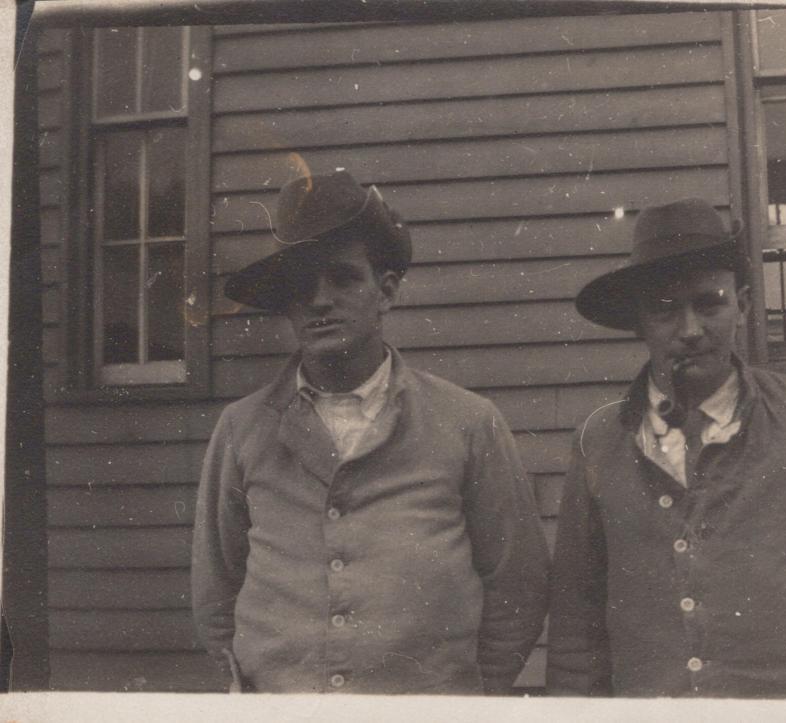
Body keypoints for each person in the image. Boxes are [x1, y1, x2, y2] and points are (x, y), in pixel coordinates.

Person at [192, 170, 549, 694]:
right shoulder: (241, 429)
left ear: (386, 292)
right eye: (301, 285)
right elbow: (215, 593)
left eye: (343, 278)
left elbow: (518, 588)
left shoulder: (469, 423)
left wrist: (466, 701)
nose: (320, 301)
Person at [546, 199, 786, 699]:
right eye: (665, 309)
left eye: (709, 304)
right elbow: (576, 623)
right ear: (639, 323)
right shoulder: (600, 441)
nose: (690, 330)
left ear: (742, 305)